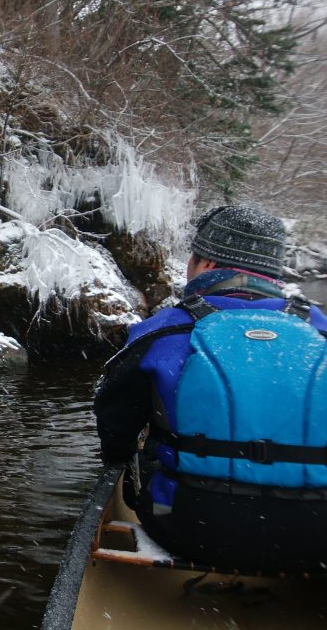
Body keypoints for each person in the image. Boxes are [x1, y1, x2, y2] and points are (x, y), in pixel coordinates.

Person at [94, 205, 327, 573]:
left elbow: (115, 423)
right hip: (318, 537)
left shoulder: (163, 330)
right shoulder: (320, 330)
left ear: (206, 265)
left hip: (192, 530)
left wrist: (119, 462)